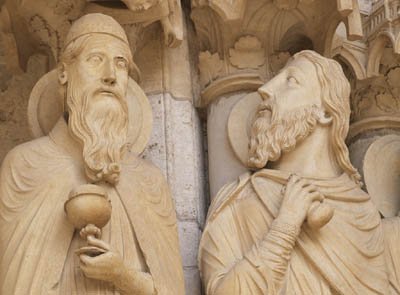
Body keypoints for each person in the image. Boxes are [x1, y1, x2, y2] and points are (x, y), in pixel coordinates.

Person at [0, 13, 185, 295]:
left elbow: (173, 291)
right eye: (96, 59)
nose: (110, 76)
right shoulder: (25, 167)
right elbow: (16, 284)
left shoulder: (149, 182)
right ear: (64, 73)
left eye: (120, 64)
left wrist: (122, 276)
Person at [198, 50, 390, 294]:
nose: (266, 89)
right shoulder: (240, 201)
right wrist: (285, 227)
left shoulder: (364, 213)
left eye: (291, 81)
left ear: (326, 113)